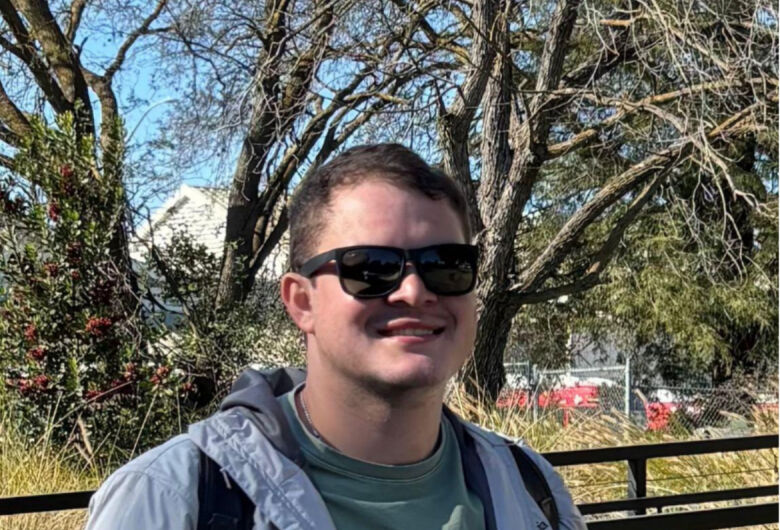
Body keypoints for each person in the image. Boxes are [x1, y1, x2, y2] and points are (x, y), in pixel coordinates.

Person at [86, 144, 586, 529]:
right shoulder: (174, 498)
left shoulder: (530, 489)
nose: (415, 291)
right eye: (371, 268)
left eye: (445, 265)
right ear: (301, 302)